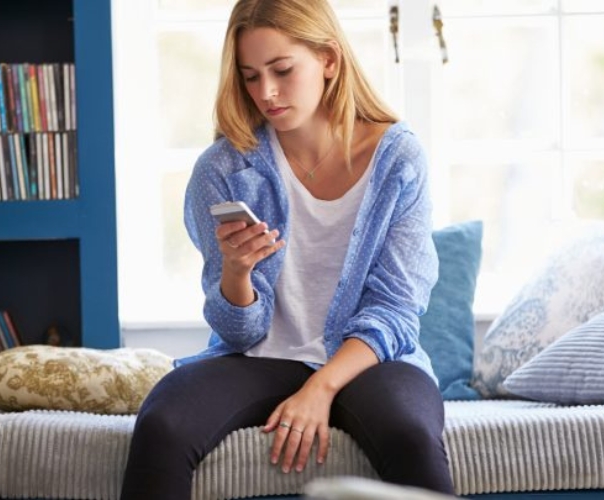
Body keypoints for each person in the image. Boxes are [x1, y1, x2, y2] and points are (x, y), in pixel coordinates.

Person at [120, 0, 453, 497]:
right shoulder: (224, 170)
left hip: (371, 360)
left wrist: (319, 389)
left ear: (329, 61)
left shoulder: (396, 158)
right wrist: (236, 273)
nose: (266, 94)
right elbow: (238, 330)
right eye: (251, 76)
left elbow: (397, 309)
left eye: (281, 70)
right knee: (163, 420)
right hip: (258, 357)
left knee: (410, 434)